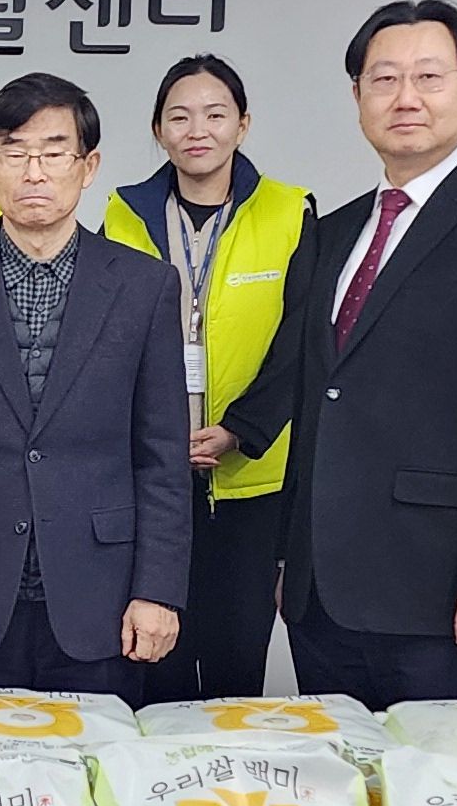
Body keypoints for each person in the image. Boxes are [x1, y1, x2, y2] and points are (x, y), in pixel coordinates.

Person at [218, 0, 457, 701]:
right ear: (358, 96)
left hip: (440, 593)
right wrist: (292, 556)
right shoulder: (332, 233)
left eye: (428, 77)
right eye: (383, 79)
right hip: (321, 595)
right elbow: (316, 401)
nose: (405, 98)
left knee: (436, 770)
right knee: (340, 768)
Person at [0, 73, 190, 697]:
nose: (34, 173)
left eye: (54, 153)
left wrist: (157, 591)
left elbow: (161, 456)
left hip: (102, 598)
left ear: (88, 166)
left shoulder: (146, 287)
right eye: (14, 153)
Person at [102, 53, 310, 702]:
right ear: (158, 129)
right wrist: (156, 437)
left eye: (215, 115)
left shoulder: (289, 211)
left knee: (235, 667)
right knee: (150, 665)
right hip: (148, 477)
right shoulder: (123, 214)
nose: (198, 130)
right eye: (180, 116)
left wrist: (239, 430)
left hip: (249, 483)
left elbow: (301, 343)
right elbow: (105, 342)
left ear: (242, 124)